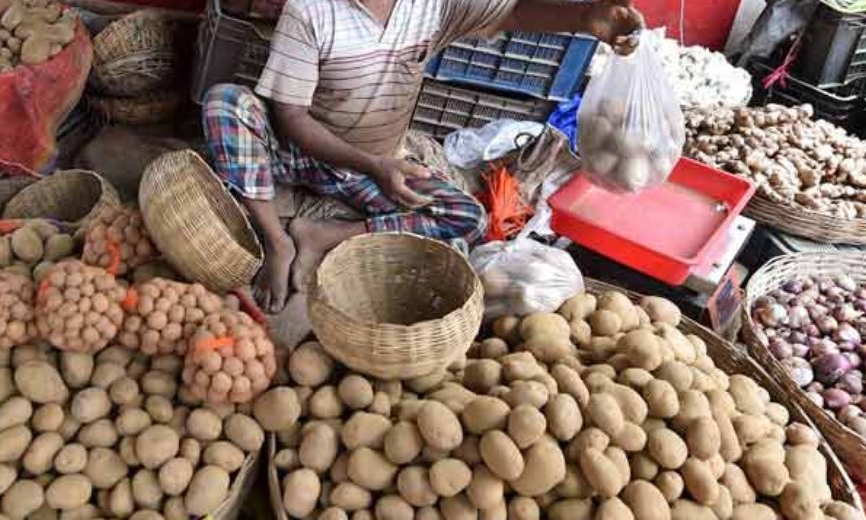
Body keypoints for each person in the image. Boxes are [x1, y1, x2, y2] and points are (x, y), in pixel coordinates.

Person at [203, 0, 643, 312]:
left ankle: (321, 233)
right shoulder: (310, 10)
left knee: (466, 220)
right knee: (225, 102)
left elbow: (510, 10)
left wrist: (586, 18)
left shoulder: (431, 6)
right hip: (301, 153)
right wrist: (374, 165)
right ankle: (277, 240)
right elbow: (291, 116)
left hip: (374, 167)